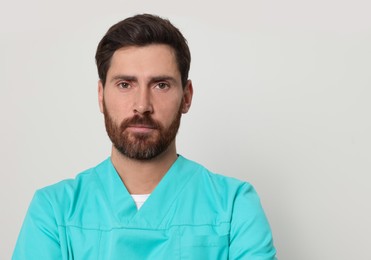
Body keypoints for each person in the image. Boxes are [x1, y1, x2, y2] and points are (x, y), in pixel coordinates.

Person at [13, 14, 277, 259]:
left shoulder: (233, 206)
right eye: (125, 85)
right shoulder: (54, 211)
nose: (142, 105)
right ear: (101, 96)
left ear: (186, 97)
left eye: (161, 85)